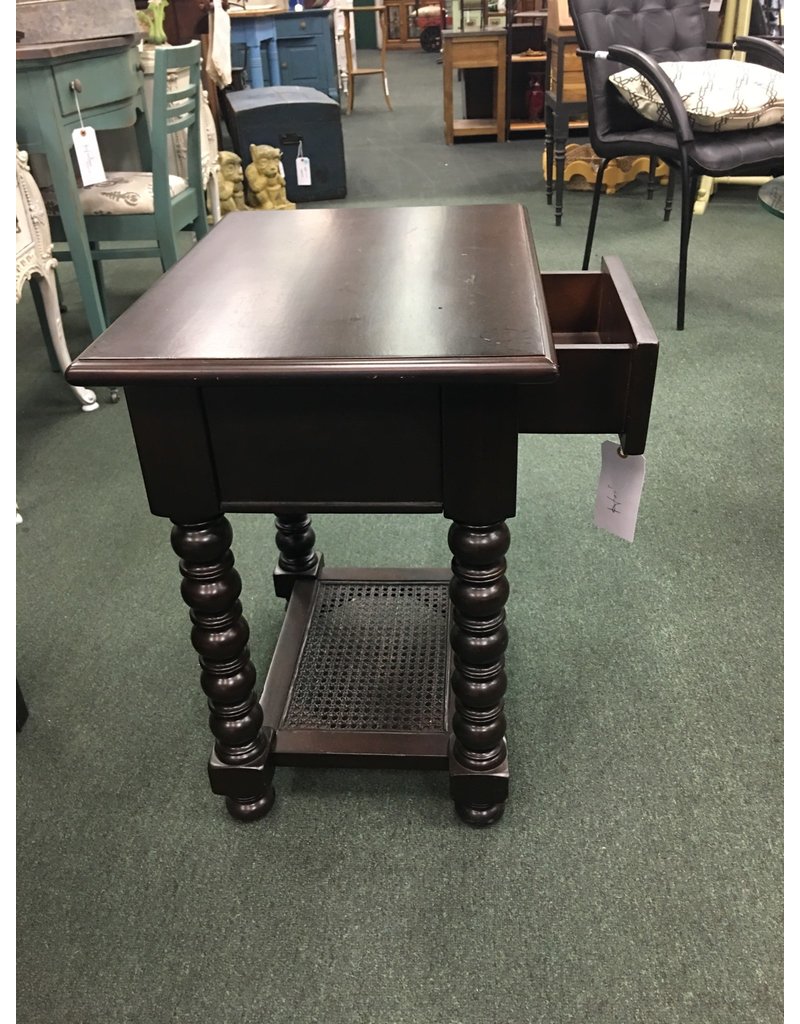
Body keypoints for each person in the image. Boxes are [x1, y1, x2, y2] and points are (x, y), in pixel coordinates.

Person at [245, 144, 296, 211]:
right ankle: (266, 203)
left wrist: (279, 179)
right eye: (264, 162)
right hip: (260, 197)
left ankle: (283, 200)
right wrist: (265, 178)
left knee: (281, 186)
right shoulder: (251, 168)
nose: (272, 166)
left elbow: (283, 183)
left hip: (275, 191)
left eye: (275, 160)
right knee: (260, 192)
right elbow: (255, 188)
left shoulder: (276, 167)